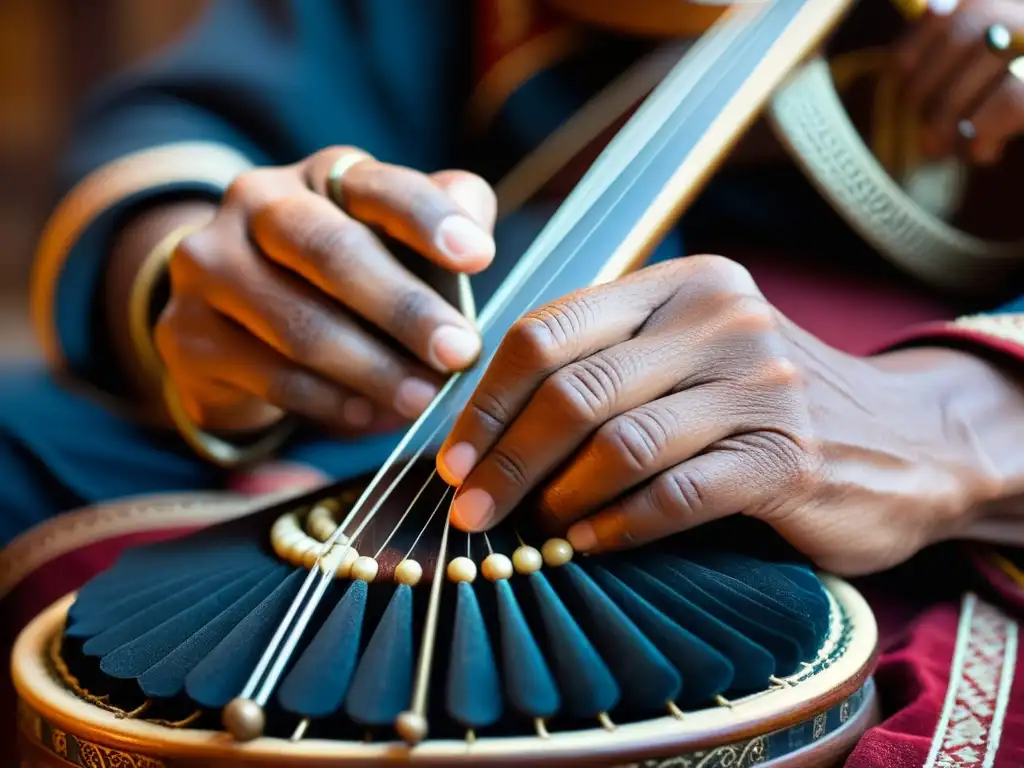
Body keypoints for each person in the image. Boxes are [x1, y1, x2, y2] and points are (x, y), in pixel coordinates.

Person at [2, 1, 1024, 765]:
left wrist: (955, 419)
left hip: (909, 432)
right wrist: (212, 278)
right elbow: (206, 127)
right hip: (436, 389)